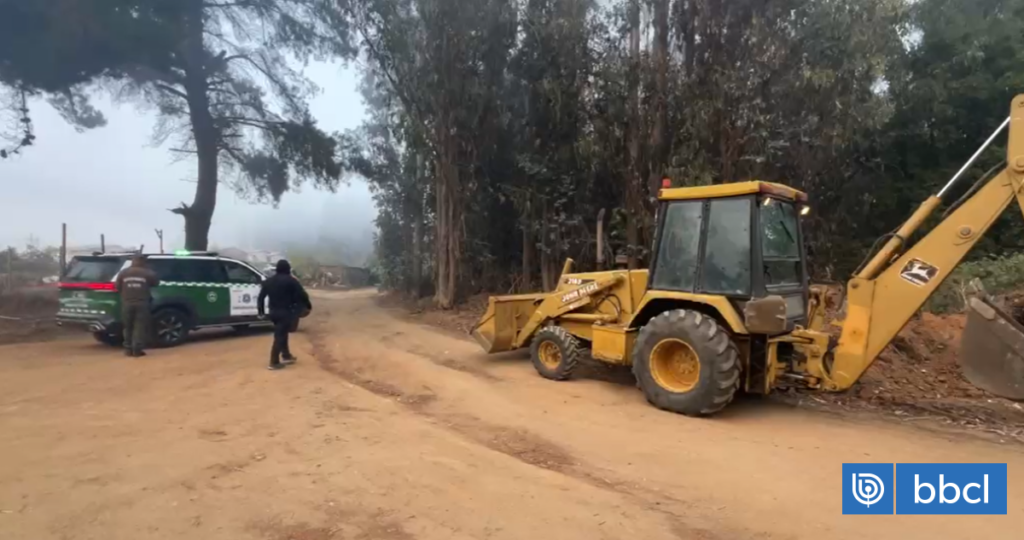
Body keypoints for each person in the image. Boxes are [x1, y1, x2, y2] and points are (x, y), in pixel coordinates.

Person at [257, 259, 312, 371]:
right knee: (280, 336)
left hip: (273, 313)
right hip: (286, 312)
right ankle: (273, 362)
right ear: (288, 269)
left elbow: (261, 297)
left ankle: (286, 355)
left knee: (282, 332)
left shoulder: (269, 281)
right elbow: (302, 295)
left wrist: (261, 312)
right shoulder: (291, 281)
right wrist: (308, 306)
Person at [115, 255, 160, 357]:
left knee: (127, 326)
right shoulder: (148, 272)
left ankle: (128, 349)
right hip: (142, 303)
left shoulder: (123, 272)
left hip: (127, 303)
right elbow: (156, 283)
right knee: (139, 327)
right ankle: (137, 350)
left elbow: (117, 287)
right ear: (143, 262)